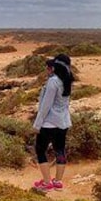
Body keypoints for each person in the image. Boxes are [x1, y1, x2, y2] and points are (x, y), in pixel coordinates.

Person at [32, 53, 73, 191]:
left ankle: (46, 182)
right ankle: (58, 181)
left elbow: (45, 105)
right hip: (63, 121)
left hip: (49, 122)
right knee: (60, 149)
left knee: (40, 149)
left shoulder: (53, 81)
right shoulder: (67, 80)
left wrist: (37, 124)